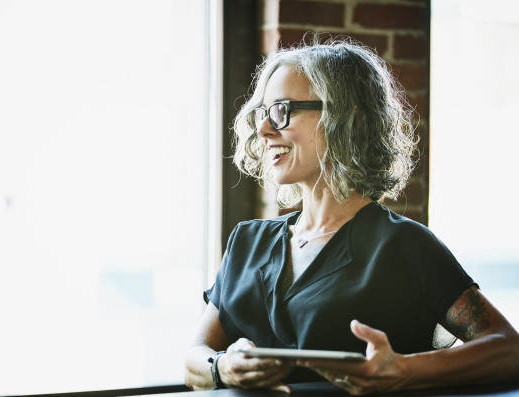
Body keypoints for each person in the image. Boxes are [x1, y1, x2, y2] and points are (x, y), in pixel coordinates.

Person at [183, 36, 519, 395]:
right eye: (261, 114)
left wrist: (404, 370)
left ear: (347, 119)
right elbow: (194, 359)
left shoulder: (405, 246)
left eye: (281, 110)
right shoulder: (247, 242)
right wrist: (223, 367)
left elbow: (508, 349)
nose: (264, 130)